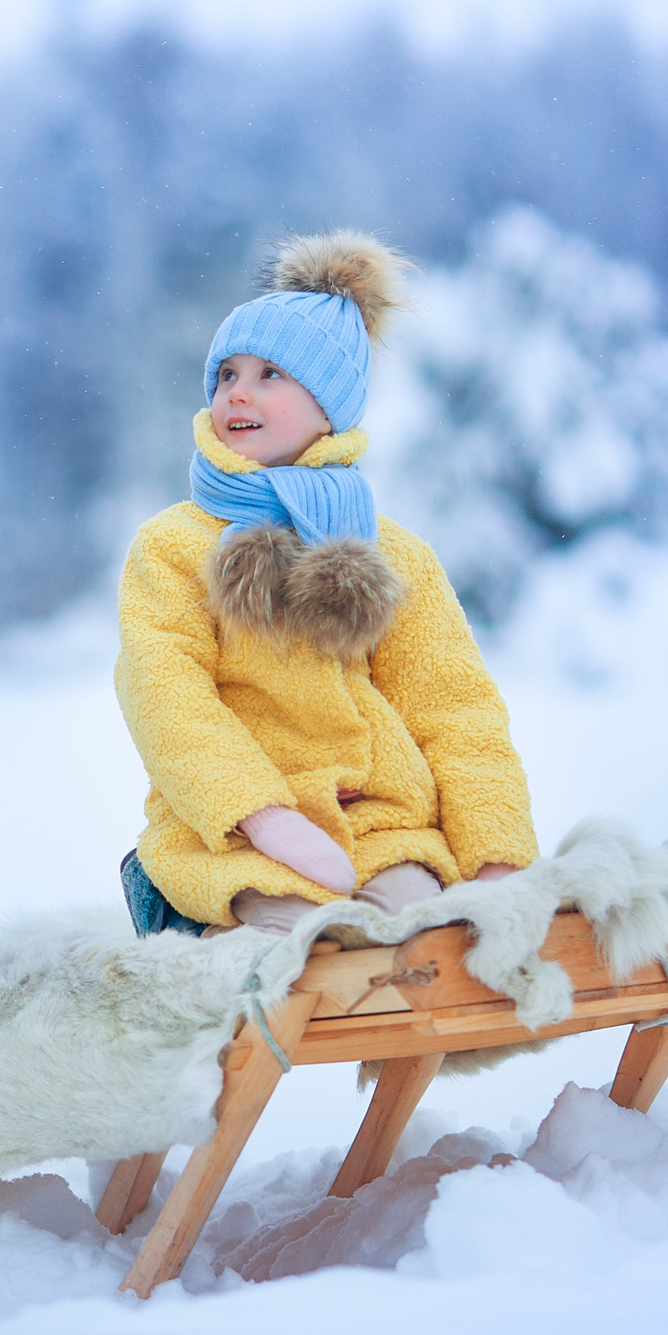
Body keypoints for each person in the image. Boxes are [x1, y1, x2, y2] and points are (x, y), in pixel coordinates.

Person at [115, 232, 538, 934]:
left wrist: (494, 853)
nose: (238, 392)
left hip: (381, 831)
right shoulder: (175, 545)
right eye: (226, 375)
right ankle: (164, 897)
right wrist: (264, 813)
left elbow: (454, 707)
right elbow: (165, 693)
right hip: (234, 835)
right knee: (298, 941)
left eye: (270, 374)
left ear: (329, 403)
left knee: (426, 939)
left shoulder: (394, 554)